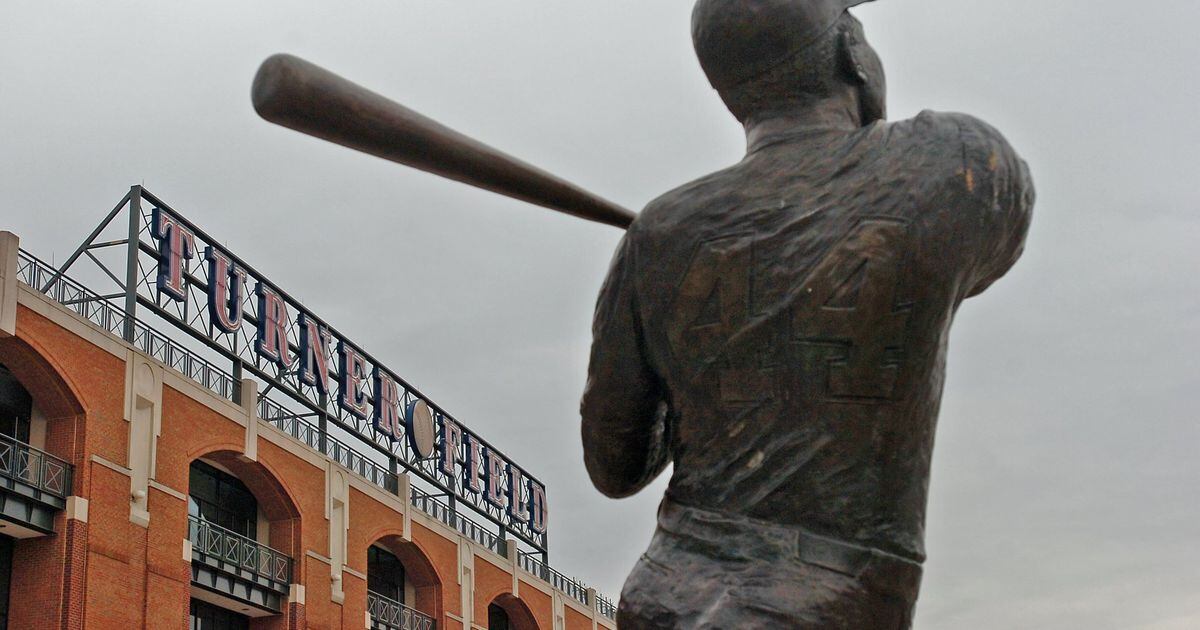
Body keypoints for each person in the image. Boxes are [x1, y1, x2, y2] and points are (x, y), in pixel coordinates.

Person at [579, 1, 1035, 628]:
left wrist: (690, 359)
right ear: (851, 52)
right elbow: (991, 252)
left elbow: (615, 464)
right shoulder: (953, 160)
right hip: (830, 604)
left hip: (666, 596)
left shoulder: (659, 233)